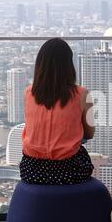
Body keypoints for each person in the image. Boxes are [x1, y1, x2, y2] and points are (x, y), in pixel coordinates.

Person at [19, 38, 95, 185]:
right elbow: (90, 134)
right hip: (69, 170)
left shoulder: (28, 93)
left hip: (31, 170)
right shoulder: (82, 94)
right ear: (69, 65)